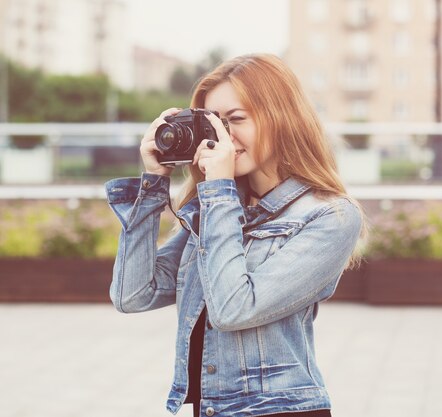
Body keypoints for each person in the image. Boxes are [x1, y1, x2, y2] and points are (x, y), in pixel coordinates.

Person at [104, 54, 364, 417]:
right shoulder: (219, 206)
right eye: (212, 123)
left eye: (236, 120)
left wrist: (220, 191)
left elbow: (233, 309)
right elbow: (133, 294)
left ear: (281, 118)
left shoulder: (329, 215)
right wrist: (154, 183)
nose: (221, 136)